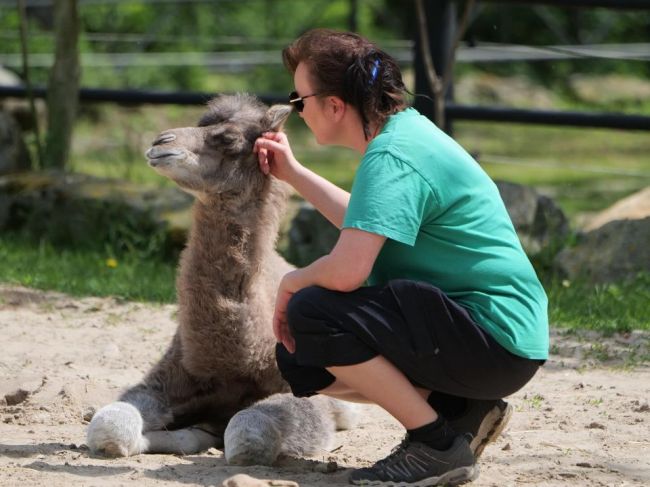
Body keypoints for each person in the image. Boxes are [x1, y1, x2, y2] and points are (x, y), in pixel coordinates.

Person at [253, 28, 548, 486]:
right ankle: (461, 410)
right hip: (499, 341)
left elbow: (349, 271)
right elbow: (368, 222)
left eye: (299, 99)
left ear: (333, 105)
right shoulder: (404, 136)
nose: (296, 109)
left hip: (493, 340)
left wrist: (291, 283)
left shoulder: (392, 156)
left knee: (312, 313)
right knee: (300, 357)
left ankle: (434, 444)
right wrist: (293, 174)